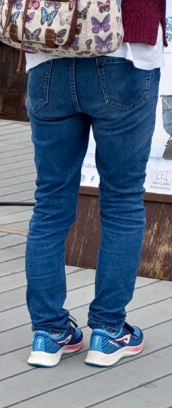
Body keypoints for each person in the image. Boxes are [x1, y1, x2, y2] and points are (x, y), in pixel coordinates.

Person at [25, 0, 166, 369]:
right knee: (122, 200)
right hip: (125, 55)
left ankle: (48, 332)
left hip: (48, 55)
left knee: (50, 202)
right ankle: (108, 330)